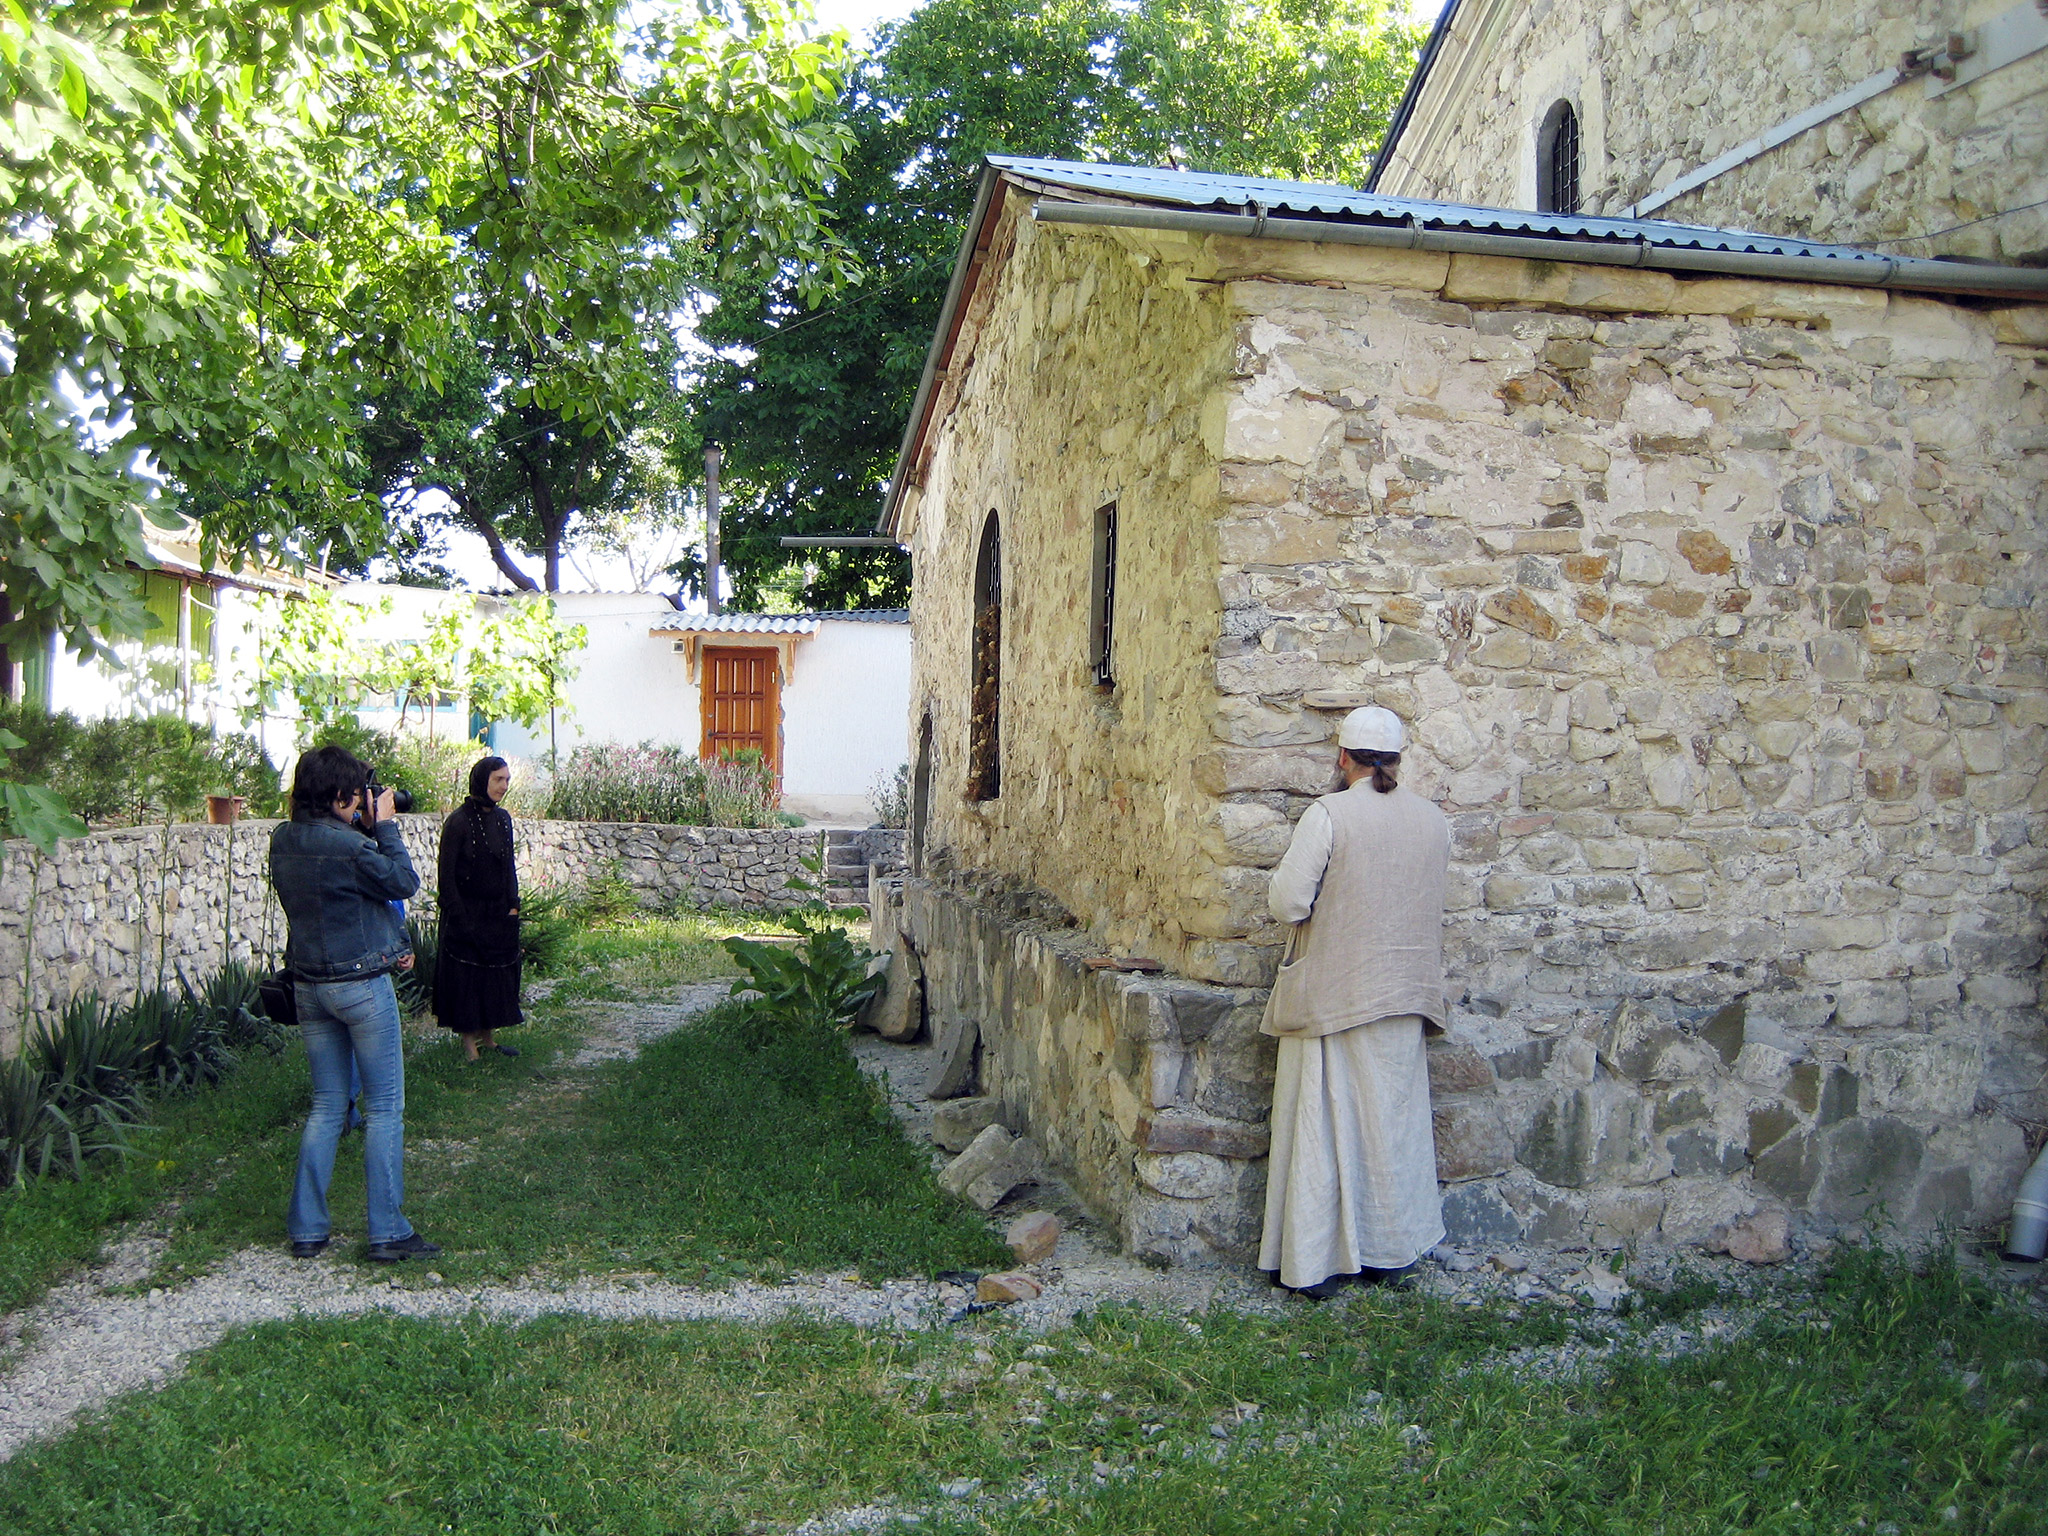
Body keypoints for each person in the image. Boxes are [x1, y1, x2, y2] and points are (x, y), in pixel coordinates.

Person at [1258, 705, 1449, 1299]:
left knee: (1322, 1126)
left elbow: (1288, 903)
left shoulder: (1328, 814)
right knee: (1391, 1125)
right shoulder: (1434, 819)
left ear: (1343, 757)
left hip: (1334, 992)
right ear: (1396, 759)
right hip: (1404, 994)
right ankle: (1391, 1252)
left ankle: (1313, 1263)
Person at [269, 744, 441, 1263]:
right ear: (343, 795)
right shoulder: (352, 848)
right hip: (362, 987)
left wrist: (361, 825)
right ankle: (387, 1230)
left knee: (326, 1106)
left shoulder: (285, 839)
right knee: (385, 1107)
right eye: (359, 794)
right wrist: (385, 826)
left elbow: (344, 895)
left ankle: (307, 1229)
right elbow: (403, 882)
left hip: (310, 984)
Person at [434, 756, 524, 1061]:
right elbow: (446, 877)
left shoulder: (503, 819)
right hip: (466, 912)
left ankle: (489, 1039)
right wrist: (460, 917)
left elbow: (507, 866)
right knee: (467, 978)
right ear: (482, 780)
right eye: (498, 779)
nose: (504, 786)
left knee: (493, 977)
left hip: (497, 910)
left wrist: (513, 905)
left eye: (507, 780)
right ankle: (469, 1045)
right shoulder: (458, 821)